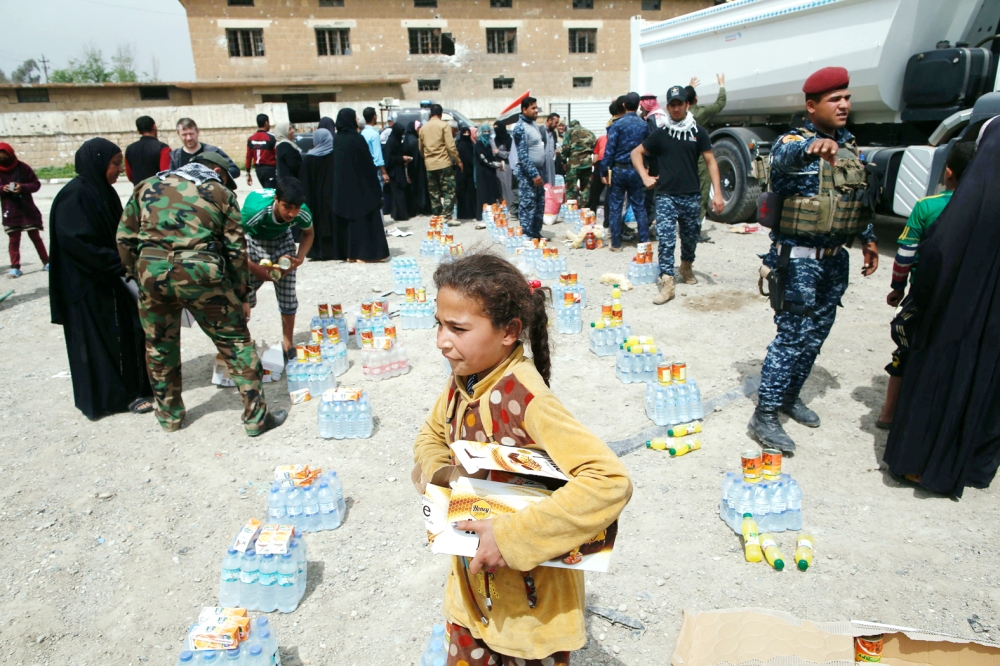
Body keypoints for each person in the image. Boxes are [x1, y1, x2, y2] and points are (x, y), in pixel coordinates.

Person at [413, 253, 631, 666]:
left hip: (529, 609)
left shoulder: (527, 400)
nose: (442, 340)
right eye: (438, 324)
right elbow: (431, 434)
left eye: (458, 328)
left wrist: (511, 536)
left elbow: (609, 481)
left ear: (509, 332)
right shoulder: (465, 379)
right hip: (472, 591)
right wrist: (439, 474)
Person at [748, 67, 879, 452]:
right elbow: (780, 160)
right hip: (799, 260)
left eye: (847, 98)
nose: (844, 105)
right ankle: (766, 414)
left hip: (835, 259)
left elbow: (854, 196)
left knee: (816, 335)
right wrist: (809, 148)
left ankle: (789, 396)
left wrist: (868, 239)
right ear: (812, 106)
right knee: (792, 337)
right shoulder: (795, 141)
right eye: (834, 99)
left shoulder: (849, 144)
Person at [117, 151, 286, 436]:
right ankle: (256, 419)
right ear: (217, 172)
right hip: (200, 271)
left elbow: (125, 238)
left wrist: (138, 273)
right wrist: (241, 294)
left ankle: (169, 417)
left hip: (151, 271)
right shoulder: (220, 192)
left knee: (159, 346)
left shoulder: (145, 186)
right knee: (235, 343)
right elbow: (235, 251)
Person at [882, 121, 1000, 497]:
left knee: (940, 373)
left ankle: (921, 463)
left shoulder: (960, 209)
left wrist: (906, 293)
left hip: (951, 318)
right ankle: (969, 463)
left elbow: (931, 259)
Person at [48, 138, 152, 419]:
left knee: (124, 335)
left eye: (120, 163)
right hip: (86, 286)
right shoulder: (75, 196)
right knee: (99, 342)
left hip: (109, 280)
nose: (119, 169)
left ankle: (133, 387)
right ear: (97, 162)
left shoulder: (101, 191)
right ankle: (117, 397)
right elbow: (79, 243)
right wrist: (119, 262)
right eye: (115, 163)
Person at [876, 142, 974, 429]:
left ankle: (888, 413)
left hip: (925, 296)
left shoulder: (927, 206)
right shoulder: (985, 208)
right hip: (965, 300)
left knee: (905, 351)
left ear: (948, 171)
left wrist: (897, 287)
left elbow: (906, 253)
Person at [631, 85, 724, 304]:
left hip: (691, 195)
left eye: (679, 104)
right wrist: (645, 176)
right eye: (672, 105)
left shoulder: (697, 132)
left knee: (690, 237)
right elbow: (636, 153)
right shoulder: (661, 134)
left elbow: (711, 161)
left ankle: (686, 266)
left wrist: (717, 193)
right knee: (666, 239)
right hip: (666, 196)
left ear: (686, 105)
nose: (675, 109)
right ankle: (667, 283)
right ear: (667, 107)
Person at [242, 178, 315, 360]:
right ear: (276, 199)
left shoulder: (302, 212)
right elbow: (233, 242)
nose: (291, 213)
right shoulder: (255, 211)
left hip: (282, 240)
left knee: (288, 295)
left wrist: (299, 259)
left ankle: (288, 343)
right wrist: (253, 267)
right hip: (254, 240)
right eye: (286, 206)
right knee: (243, 295)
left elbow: (309, 233)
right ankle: (241, 343)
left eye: (296, 207)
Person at [331, 108, 390, 263]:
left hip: (343, 188)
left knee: (349, 223)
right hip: (360, 187)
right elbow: (366, 164)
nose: (357, 120)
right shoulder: (356, 139)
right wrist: (375, 187)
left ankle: (350, 254)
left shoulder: (337, 139)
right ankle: (365, 254)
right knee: (364, 221)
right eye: (355, 118)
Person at [601, 92, 650, 252]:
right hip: (637, 170)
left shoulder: (618, 125)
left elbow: (610, 149)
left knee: (615, 206)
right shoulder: (644, 125)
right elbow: (648, 149)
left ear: (623, 105)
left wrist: (603, 170)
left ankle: (616, 243)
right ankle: (644, 242)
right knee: (639, 206)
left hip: (618, 170)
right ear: (638, 105)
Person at [0, 143, 48, 278]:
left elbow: (36, 184)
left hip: (27, 209)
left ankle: (46, 261)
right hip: (10, 210)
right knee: (14, 240)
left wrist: (22, 187)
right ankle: (15, 267)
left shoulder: (23, 168)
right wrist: (3, 188)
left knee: (35, 237)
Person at [688, 74, 728, 223]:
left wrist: (690, 87)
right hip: (699, 156)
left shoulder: (682, 115)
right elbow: (720, 104)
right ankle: (696, 225)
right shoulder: (701, 112)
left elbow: (686, 98)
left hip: (686, 156)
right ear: (696, 99)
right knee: (703, 188)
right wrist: (722, 85)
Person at [419, 104, 462, 221]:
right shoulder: (444, 126)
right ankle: (447, 215)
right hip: (444, 163)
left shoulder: (423, 128)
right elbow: (450, 146)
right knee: (449, 190)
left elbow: (421, 148)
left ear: (431, 114)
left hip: (430, 164)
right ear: (441, 114)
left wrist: (427, 158)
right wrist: (458, 161)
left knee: (434, 191)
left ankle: (437, 215)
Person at [301, 128, 339, 260]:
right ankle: (336, 251)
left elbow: (306, 183)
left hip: (316, 200)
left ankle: (319, 252)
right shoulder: (335, 155)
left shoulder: (309, 158)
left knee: (317, 224)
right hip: (333, 197)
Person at [511, 97, 547, 239]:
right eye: (533, 108)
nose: (536, 110)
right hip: (528, 173)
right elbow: (523, 154)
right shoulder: (520, 127)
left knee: (539, 204)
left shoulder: (533, 125)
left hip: (537, 171)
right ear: (524, 110)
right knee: (528, 204)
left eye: (536, 107)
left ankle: (536, 233)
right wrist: (533, 174)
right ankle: (526, 235)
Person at [586, 100, 625, 224]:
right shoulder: (621, 125)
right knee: (610, 192)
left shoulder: (606, 133)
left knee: (595, 192)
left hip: (602, 162)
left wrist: (596, 168)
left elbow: (596, 156)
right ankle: (607, 220)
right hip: (612, 161)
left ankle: (589, 217)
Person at [171, 118, 240, 180]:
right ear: (178, 134)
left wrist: (215, 175)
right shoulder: (175, 157)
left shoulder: (213, 152)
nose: (189, 138)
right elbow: (170, 179)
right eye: (184, 135)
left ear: (198, 132)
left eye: (191, 133)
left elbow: (235, 170)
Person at [123, 116, 171, 185]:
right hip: (159, 191)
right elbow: (166, 174)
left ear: (138, 131)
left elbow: (130, 175)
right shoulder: (163, 148)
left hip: (139, 190)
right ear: (154, 126)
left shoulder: (129, 149)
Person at [559, 119, 597, 205]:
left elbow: (565, 147)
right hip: (587, 164)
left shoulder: (569, 132)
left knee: (571, 188)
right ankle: (584, 208)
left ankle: (572, 209)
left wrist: (563, 161)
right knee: (586, 188)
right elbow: (595, 147)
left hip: (573, 164)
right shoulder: (589, 132)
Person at [383, 122, 412, 221]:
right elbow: (388, 159)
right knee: (397, 193)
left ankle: (400, 214)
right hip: (394, 172)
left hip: (398, 170)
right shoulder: (391, 142)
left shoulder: (396, 140)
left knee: (400, 192)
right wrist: (401, 158)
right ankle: (399, 215)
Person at [474, 124, 503, 213]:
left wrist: (496, 164)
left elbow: (491, 157)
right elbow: (483, 159)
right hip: (483, 172)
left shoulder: (489, 143)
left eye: (488, 131)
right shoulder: (479, 143)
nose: (487, 133)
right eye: (485, 132)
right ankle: (483, 214)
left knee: (491, 192)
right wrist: (495, 165)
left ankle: (491, 213)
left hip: (490, 173)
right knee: (484, 193)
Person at [360, 107, 390, 189]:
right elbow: (377, 156)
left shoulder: (362, 133)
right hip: (375, 170)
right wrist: (384, 172)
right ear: (374, 117)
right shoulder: (374, 134)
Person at [245, 113, 277, 189]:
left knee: (266, 189)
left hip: (258, 170)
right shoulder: (271, 138)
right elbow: (277, 155)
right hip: (270, 169)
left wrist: (248, 173)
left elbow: (248, 157)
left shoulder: (251, 139)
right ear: (266, 123)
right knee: (271, 192)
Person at [404, 120, 429, 216]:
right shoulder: (414, 141)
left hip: (413, 168)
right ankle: (422, 207)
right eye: (418, 128)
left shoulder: (409, 138)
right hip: (417, 168)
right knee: (420, 186)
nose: (420, 130)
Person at [454, 125, 478, 221]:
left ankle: (471, 212)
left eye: (468, 133)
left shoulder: (470, 144)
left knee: (470, 193)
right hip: (463, 172)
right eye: (464, 133)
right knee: (464, 192)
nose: (467, 135)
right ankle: (464, 213)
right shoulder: (461, 145)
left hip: (470, 172)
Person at [492, 121, 515, 209]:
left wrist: (499, 153)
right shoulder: (494, 140)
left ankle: (510, 207)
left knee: (508, 187)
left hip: (507, 165)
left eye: (497, 128)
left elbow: (511, 153)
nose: (496, 130)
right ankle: (502, 207)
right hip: (497, 166)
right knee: (500, 187)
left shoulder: (509, 140)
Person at [543, 112, 560, 185]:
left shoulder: (553, 133)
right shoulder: (540, 131)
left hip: (551, 163)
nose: (556, 125)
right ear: (550, 120)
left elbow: (555, 146)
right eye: (555, 123)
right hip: (543, 164)